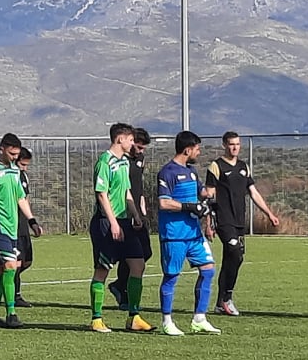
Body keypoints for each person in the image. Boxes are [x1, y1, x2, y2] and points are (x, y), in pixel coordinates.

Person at [88, 123, 154, 333]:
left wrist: (135, 214)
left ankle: (134, 316)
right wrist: (114, 222)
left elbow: (127, 191)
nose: (133, 143)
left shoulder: (125, 161)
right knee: (103, 269)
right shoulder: (104, 162)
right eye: (131, 139)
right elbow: (102, 194)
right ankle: (96, 319)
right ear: (120, 139)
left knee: (138, 265)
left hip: (125, 221)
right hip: (106, 222)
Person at [0, 133, 42, 328]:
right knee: (11, 265)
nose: (14, 158)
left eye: (16, 154)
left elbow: (21, 198)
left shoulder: (14, 171)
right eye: (12, 154)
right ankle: (12, 313)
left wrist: (32, 221)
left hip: (12, 228)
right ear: (2, 148)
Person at [205, 131, 279, 315]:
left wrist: (269, 214)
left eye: (237, 144)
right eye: (231, 144)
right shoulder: (216, 166)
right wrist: (208, 223)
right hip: (224, 220)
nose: (235, 147)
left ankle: (221, 302)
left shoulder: (243, 167)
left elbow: (253, 192)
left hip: (239, 220)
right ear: (224, 145)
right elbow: (209, 196)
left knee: (235, 259)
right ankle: (227, 299)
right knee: (234, 251)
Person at [157, 130, 220, 336]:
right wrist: (189, 207)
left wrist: (213, 188)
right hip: (174, 235)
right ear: (187, 150)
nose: (199, 152)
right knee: (171, 276)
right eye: (197, 149)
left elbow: (202, 194)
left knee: (208, 269)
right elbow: (164, 203)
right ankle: (167, 321)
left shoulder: (192, 171)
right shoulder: (167, 172)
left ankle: (199, 318)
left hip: (193, 234)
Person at [108, 127, 153, 310]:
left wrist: (141, 208)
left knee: (146, 252)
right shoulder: (120, 160)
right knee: (131, 255)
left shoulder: (140, 159)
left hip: (136, 211)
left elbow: (137, 186)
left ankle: (119, 285)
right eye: (139, 146)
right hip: (123, 213)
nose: (141, 151)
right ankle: (123, 293)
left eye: (143, 148)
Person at [14, 146, 37, 307]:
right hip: (12, 224)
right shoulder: (10, 176)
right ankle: (16, 296)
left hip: (23, 223)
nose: (25, 168)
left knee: (27, 261)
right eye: (22, 164)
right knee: (16, 263)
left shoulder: (24, 176)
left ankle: (4, 277)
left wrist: (31, 220)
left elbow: (25, 199)